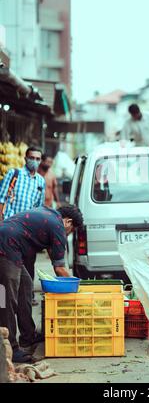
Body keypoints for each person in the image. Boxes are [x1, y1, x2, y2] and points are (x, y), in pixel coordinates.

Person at [0, 205, 83, 363]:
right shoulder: (58, 225)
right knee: (7, 298)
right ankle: (9, 347)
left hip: (10, 245)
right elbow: (59, 269)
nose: (68, 234)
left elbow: (53, 254)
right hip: (6, 246)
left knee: (26, 285)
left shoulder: (48, 214)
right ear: (68, 222)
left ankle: (28, 336)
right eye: (71, 230)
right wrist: (79, 286)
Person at [0, 146, 46, 305]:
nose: (34, 161)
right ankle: (4, 301)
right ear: (25, 158)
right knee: (7, 269)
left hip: (28, 233)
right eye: (32, 158)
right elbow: (1, 200)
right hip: (9, 231)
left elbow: (38, 208)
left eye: (38, 159)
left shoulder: (41, 181)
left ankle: (26, 298)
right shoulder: (14, 174)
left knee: (28, 265)